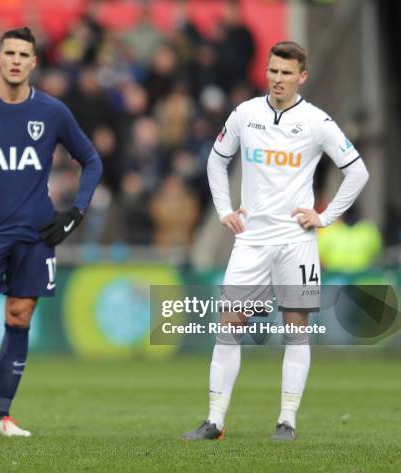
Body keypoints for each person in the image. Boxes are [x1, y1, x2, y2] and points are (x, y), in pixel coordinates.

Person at [183, 41, 369, 441]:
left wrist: (324, 217)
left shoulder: (318, 122)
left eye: (285, 73)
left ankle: (287, 421)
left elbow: (358, 172)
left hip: (295, 241)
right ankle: (214, 420)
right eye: (272, 71)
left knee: (296, 328)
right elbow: (217, 160)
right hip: (251, 240)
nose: (277, 79)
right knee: (229, 324)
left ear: (302, 76)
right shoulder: (245, 114)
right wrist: (222, 210)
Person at [0, 27, 102, 438]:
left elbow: (91, 160)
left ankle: (1, 416)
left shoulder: (52, 111)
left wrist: (75, 214)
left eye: (23, 54)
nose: (15, 60)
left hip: (35, 234)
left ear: (34, 62)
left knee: (19, 315)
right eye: (9, 52)